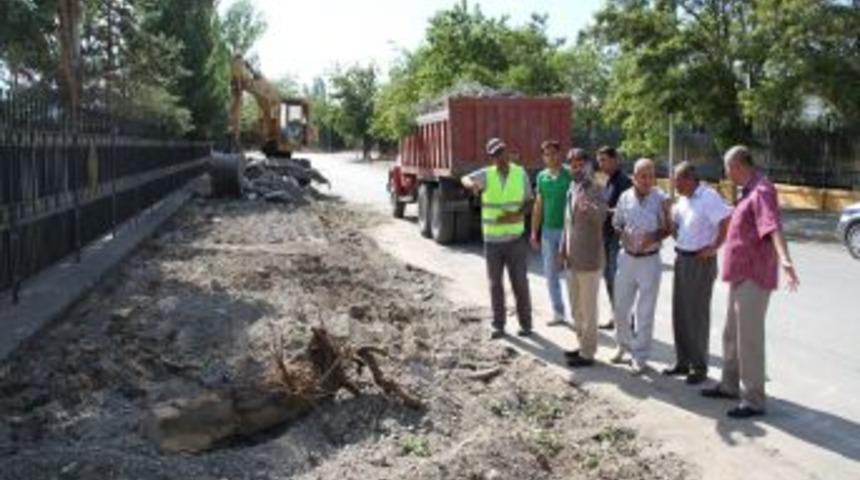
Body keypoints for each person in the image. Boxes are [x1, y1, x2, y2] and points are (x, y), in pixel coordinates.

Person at [701, 145, 799, 418]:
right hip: (739, 275)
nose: (726, 173)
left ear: (738, 166)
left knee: (749, 339)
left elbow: (772, 226)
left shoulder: (762, 190)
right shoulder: (746, 191)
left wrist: (784, 259)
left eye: (728, 168)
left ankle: (754, 399)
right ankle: (729, 385)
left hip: (754, 276)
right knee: (731, 334)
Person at [665, 162, 731, 385]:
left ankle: (699, 365)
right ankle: (683, 361)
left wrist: (713, 248)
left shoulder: (708, 196)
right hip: (682, 258)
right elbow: (679, 228)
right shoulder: (683, 200)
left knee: (696, 315)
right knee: (680, 313)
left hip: (700, 262)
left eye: (677, 180)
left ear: (688, 178)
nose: (674, 185)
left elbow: (725, 221)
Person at [462, 137, 534, 339]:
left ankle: (526, 325)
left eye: (501, 152)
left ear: (507, 152)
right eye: (494, 154)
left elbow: (530, 201)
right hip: (492, 242)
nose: (499, 157)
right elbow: (465, 179)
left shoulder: (520, 174)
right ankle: (498, 325)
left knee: (520, 283)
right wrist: (471, 184)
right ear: (491, 157)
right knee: (495, 285)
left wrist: (517, 214)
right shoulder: (487, 175)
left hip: (515, 240)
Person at [610, 158, 671, 374]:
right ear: (634, 177)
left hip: (649, 260)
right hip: (626, 258)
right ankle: (623, 345)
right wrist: (622, 233)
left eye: (650, 175)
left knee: (644, 312)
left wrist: (653, 236)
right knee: (620, 307)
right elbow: (616, 222)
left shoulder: (661, 199)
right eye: (642, 176)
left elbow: (668, 228)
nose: (647, 180)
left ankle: (640, 356)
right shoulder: (625, 197)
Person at [559, 149, 608, 367]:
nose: (577, 169)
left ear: (588, 165)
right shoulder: (572, 187)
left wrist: (590, 209)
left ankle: (588, 353)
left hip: (589, 259)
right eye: (573, 165)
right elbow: (567, 222)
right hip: (571, 258)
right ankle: (581, 344)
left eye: (580, 164)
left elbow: (602, 216)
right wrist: (562, 247)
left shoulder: (596, 186)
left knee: (588, 309)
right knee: (575, 306)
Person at [530, 139, 573, 325]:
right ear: (543, 157)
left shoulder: (569, 174)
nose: (550, 157)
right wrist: (534, 232)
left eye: (553, 153)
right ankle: (558, 312)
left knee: (571, 273)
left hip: (569, 231)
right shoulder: (541, 177)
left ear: (559, 154)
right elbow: (538, 205)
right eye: (546, 154)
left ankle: (578, 312)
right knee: (550, 272)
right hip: (548, 231)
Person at [597, 146, 633, 330]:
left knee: (617, 280)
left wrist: (605, 211)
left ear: (614, 159)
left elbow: (626, 210)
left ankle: (627, 320)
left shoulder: (624, 181)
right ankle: (617, 316)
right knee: (609, 280)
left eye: (604, 160)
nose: (600, 164)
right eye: (599, 160)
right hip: (604, 236)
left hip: (617, 240)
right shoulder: (605, 180)